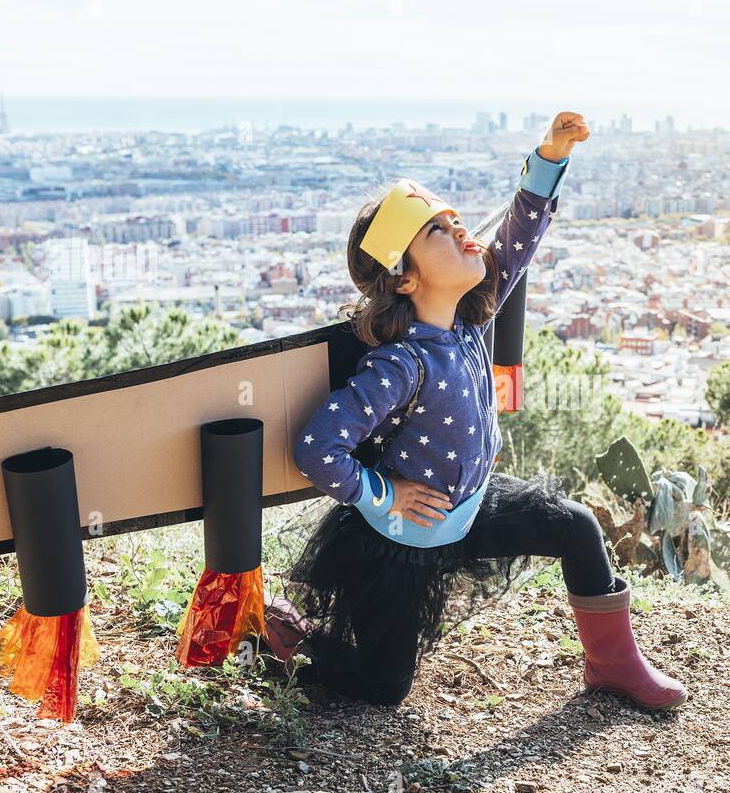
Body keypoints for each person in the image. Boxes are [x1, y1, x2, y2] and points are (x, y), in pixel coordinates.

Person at [272, 111, 686, 711]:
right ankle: (282, 640)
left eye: (456, 219)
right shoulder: (403, 365)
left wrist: (548, 156)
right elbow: (317, 448)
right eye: (438, 231)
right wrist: (383, 494)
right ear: (405, 279)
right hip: (400, 543)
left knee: (576, 526)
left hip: (468, 509)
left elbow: (517, 242)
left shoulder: (471, 320)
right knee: (381, 688)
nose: (463, 231)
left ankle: (614, 665)